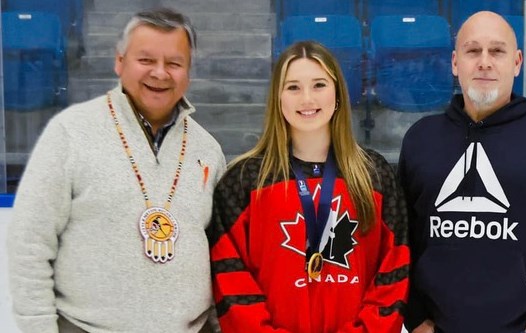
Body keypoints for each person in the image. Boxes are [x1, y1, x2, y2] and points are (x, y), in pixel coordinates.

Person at [7, 8, 226, 332]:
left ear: (188, 73)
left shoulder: (207, 150)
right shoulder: (70, 132)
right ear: (119, 62)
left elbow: (221, 256)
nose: (160, 73)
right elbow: (29, 243)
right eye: (146, 60)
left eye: (174, 63)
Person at [399, 11, 526, 333]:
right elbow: (400, 240)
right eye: (473, 51)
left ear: (517, 62)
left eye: (497, 51)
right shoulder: (420, 139)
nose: (484, 62)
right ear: (456, 63)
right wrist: (413, 316)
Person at [206, 40, 409, 332]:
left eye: (318, 85)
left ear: (337, 93)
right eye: (293, 87)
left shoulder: (374, 174)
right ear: (278, 99)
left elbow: (394, 270)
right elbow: (230, 278)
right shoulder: (243, 180)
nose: (307, 99)